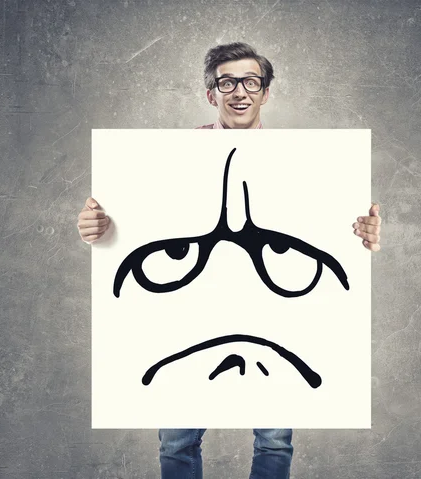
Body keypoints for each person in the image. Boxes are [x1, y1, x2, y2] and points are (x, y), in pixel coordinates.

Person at [78, 42, 381, 479]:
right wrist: (97, 225)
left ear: (266, 93)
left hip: (277, 322)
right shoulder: (167, 159)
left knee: (275, 441)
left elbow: (331, 237)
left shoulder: (304, 165)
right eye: (227, 82)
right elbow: (131, 226)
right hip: (186, 321)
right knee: (177, 442)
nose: (240, 92)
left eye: (251, 82)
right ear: (211, 93)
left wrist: (364, 234)